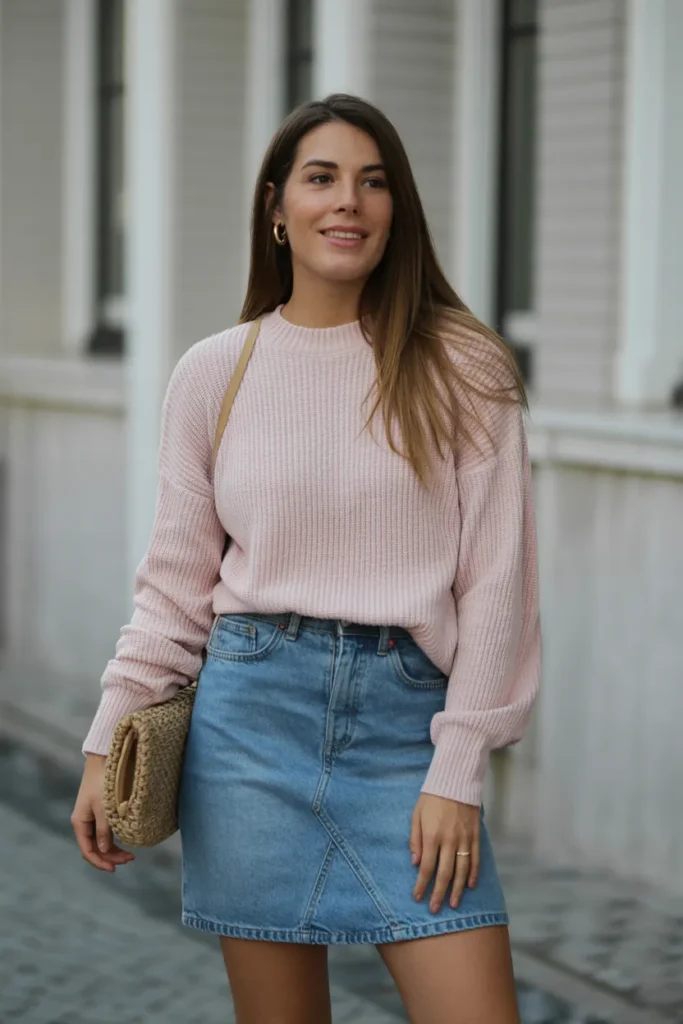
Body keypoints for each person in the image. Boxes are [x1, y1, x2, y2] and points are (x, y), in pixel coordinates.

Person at [72, 94, 540, 1024]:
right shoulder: (216, 371)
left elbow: (499, 588)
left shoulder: (463, 368)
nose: (349, 203)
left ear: (395, 210)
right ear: (275, 209)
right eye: (321, 179)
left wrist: (458, 769)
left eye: (373, 183)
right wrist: (106, 739)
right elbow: (174, 586)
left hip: (408, 735)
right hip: (248, 733)